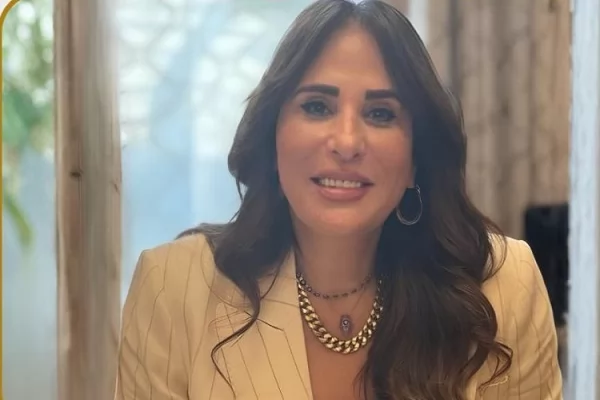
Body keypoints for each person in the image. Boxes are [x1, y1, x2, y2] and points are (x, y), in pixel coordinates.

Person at [114, 0, 563, 399]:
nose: (347, 142)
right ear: (273, 137)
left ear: (416, 158)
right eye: (317, 106)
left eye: (380, 113)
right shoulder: (173, 288)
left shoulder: (504, 288)